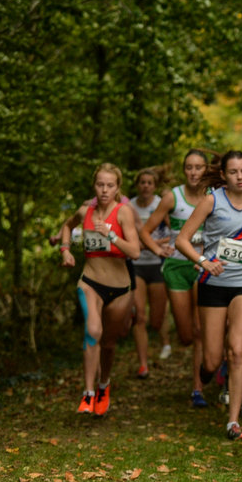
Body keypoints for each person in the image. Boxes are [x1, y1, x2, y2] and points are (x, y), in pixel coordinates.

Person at [175, 151, 242, 440]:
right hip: (213, 282)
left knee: (237, 349)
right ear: (223, 175)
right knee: (212, 360)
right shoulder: (212, 201)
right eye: (233, 172)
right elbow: (182, 240)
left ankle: (233, 421)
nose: (240, 177)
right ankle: (206, 372)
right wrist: (203, 261)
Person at [60, 164, 141, 415]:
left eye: (110, 185)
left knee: (108, 342)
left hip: (120, 288)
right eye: (100, 185)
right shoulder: (85, 211)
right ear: (94, 186)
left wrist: (111, 236)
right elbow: (67, 226)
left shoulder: (123, 213)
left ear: (117, 188)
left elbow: (135, 252)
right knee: (93, 331)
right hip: (90, 281)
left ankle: (104, 384)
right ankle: (88, 393)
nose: (104, 190)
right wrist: (65, 250)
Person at [138, 150, 211, 406]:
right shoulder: (173, 197)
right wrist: (158, 250)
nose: (194, 172)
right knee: (186, 335)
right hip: (176, 268)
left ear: (206, 170)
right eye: (189, 167)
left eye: (198, 167)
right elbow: (145, 231)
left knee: (200, 330)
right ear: (184, 170)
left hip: (203, 267)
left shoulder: (213, 197)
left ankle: (198, 389)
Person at [129, 167, 172, 375]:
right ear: (137, 185)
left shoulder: (161, 205)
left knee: (157, 319)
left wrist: (152, 244)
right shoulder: (129, 206)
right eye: (142, 182)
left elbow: (174, 233)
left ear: (154, 186)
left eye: (149, 183)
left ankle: (165, 343)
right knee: (139, 316)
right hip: (136, 264)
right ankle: (143, 364)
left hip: (157, 263)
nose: (145, 186)